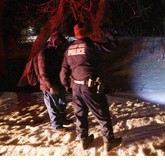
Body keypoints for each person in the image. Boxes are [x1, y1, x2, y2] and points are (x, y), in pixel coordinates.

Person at [60, 22, 122, 151]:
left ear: (76, 34)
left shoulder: (69, 49)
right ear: (88, 32)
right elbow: (113, 45)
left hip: (76, 87)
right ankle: (109, 141)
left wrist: (66, 85)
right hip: (91, 86)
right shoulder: (92, 46)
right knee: (102, 114)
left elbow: (63, 72)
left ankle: (83, 140)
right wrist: (108, 32)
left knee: (80, 115)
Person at [37, 31, 72, 132]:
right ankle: (57, 125)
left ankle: (63, 119)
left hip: (59, 83)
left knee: (62, 103)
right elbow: (42, 72)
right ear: (53, 41)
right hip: (49, 85)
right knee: (53, 106)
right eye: (58, 41)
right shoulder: (44, 53)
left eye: (62, 41)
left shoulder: (60, 52)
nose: (60, 43)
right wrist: (50, 86)